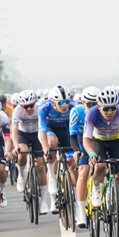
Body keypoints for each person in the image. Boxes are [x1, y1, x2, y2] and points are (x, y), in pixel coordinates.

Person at [83, 88, 119, 236]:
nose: (110, 112)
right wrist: (92, 154)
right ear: (99, 107)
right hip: (99, 142)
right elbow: (86, 139)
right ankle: (96, 188)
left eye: (112, 108)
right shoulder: (92, 114)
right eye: (106, 109)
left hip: (118, 142)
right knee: (100, 166)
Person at [38, 85, 77, 214]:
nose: (65, 105)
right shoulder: (44, 108)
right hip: (50, 130)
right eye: (61, 103)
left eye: (66, 101)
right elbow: (42, 132)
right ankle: (52, 179)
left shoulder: (73, 106)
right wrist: (46, 151)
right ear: (54, 103)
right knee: (52, 143)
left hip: (66, 130)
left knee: (72, 164)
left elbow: (77, 130)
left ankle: (75, 200)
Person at [11, 90, 49, 215]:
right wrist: (16, 146)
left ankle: (44, 201)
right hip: (24, 135)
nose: (28, 109)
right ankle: (21, 176)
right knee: (22, 152)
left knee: (40, 166)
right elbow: (14, 130)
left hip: (37, 135)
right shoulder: (17, 111)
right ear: (21, 106)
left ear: (34, 103)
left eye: (31, 105)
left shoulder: (39, 108)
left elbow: (45, 127)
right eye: (25, 106)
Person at [69, 86, 101, 228]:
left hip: (99, 141)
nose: (93, 107)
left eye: (96, 104)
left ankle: (101, 194)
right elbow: (73, 136)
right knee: (83, 172)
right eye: (90, 104)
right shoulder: (76, 112)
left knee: (102, 168)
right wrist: (76, 151)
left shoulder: (103, 111)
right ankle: (81, 212)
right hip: (83, 141)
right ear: (83, 103)